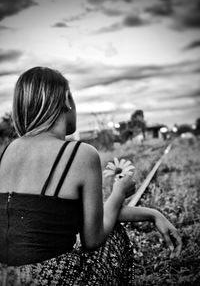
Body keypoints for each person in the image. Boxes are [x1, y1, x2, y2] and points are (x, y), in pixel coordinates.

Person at [0, 67, 182, 286]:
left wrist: (152, 213)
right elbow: (92, 238)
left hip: (7, 278)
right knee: (113, 236)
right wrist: (119, 192)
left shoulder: (6, 152)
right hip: (49, 280)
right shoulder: (80, 154)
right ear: (67, 99)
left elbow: (44, 215)